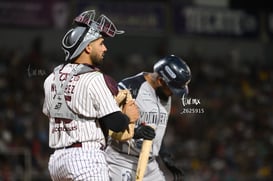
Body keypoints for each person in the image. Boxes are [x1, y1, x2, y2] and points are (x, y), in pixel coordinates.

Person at [42, 10, 139, 181]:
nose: (105, 48)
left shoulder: (51, 79)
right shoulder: (94, 79)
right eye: (101, 43)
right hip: (86, 158)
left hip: (57, 161)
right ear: (88, 47)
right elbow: (116, 124)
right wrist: (128, 117)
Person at [106, 55, 191, 181]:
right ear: (161, 81)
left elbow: (156, 131)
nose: (173, 93)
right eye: (173, 89)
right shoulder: (128, 87)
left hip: (150, 165)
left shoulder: (165, 94)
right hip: (122, 161)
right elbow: (107, 121)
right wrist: (135, 132)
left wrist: (165, 155)